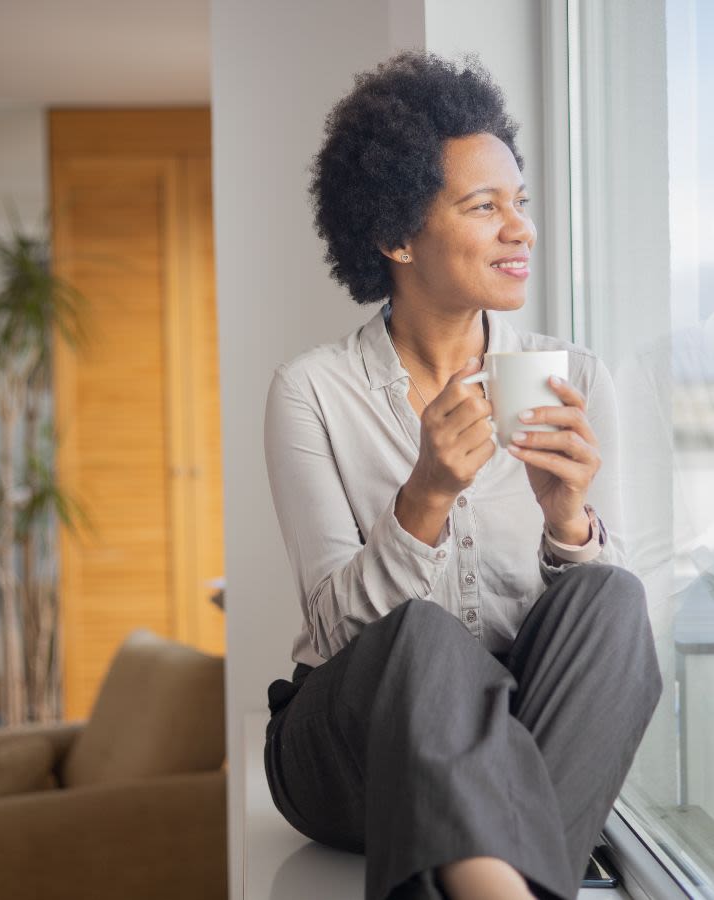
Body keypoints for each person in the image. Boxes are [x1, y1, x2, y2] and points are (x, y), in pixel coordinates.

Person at [262, 51, 662, 900]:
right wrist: (425, 499)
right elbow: (338, 637)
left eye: (519, 203)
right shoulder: (313, 392)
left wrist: (568, 527)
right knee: (426, 637)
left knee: (614, 595)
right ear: (394, 234)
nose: (520, 229)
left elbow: (608, 655)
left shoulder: (576, 379)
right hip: (348, 748)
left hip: (518, 734)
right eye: (485, 207)